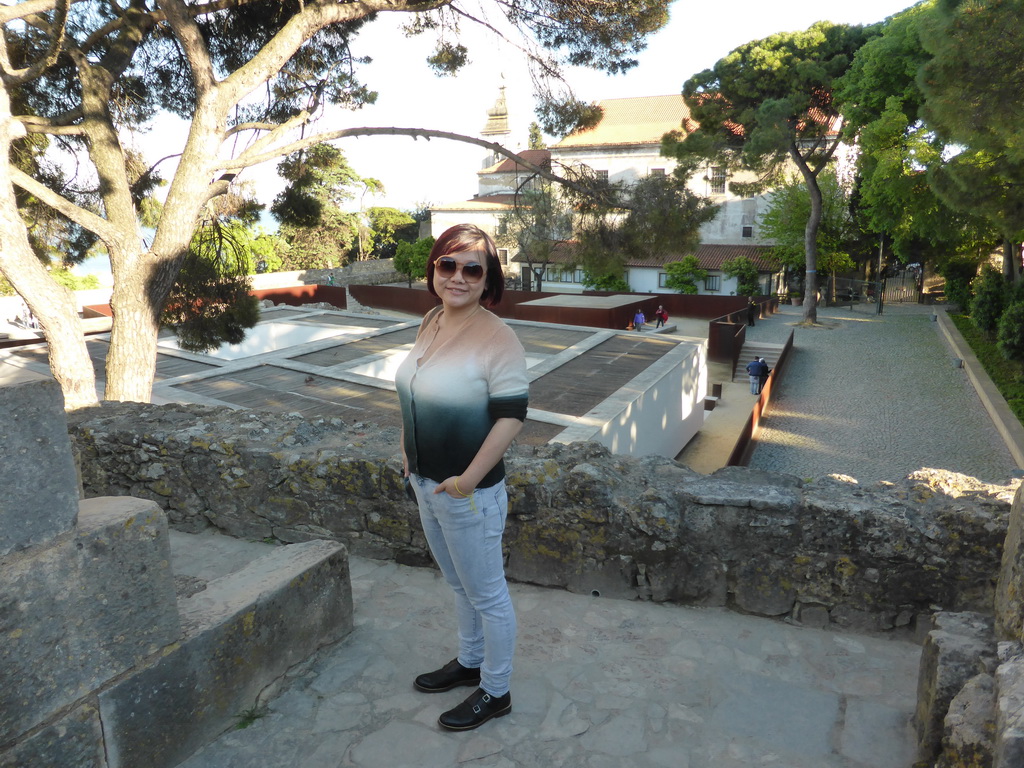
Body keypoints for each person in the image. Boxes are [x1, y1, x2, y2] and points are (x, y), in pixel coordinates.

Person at [395, 224, 529, 732]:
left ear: (487, 278)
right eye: (448, 264)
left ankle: (496, 691)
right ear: (433, 268)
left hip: (468, 493)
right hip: (426, 483)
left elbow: (512, 415)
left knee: (488, 595)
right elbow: (415, 389)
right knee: (459, 584)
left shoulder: (498, 337)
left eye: (472, 268)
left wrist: (468, 479)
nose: (457, 276)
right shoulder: (431, 319)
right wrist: (405, 447)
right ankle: (469, 662)